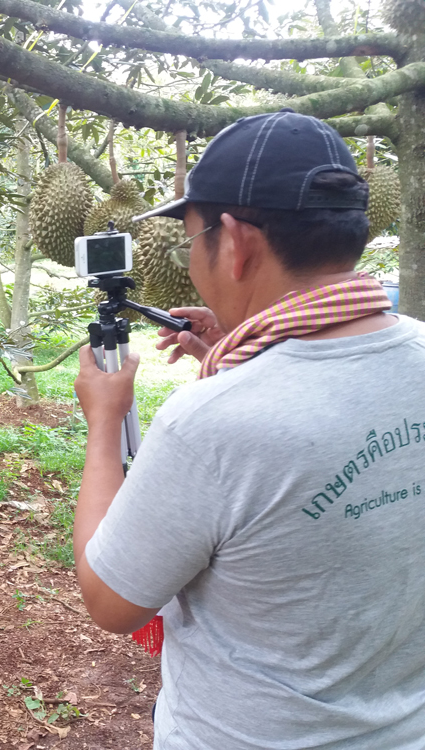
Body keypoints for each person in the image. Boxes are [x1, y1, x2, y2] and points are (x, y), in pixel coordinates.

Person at [71, 110, 425, 749]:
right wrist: (238, 338)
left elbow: (111, 602)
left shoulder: (212, 422)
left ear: (233, 242)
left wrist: (104, 423)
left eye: (191, 239)